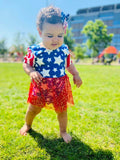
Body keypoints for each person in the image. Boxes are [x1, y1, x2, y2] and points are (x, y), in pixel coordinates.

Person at [20, 6, 82, 143]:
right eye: (50, 35)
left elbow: (69, 64)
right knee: (33, 109)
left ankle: (63, 131)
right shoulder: (35, 50)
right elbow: (26, 63)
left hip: (59, 86)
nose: (55, 39)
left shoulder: (64, 49)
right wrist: (31, 71)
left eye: (60, 35)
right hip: (40, 86)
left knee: (62, 111)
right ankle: (28, 124)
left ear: (64, 31)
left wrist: (76, 74)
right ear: (40, 32)